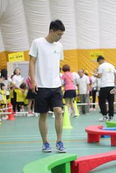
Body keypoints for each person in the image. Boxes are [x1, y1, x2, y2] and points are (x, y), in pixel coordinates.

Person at [29, 19, 66, 153]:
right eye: (58, 34)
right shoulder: (37, 43)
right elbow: (32, 62)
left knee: (58, 111)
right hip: (41, 86)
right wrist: (33, 81)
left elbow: (57, 64)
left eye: (62, 34)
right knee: (43, 115)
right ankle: (45, 143)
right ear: (51, 31)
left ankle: (59, 141)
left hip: (56, 86)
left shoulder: (59, 46)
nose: (60, 37)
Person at [95, 56, 116, 121]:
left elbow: (99, 76)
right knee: (111, 102)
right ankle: (111, 116)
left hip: (104, 86)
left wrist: (95, 75)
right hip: (111, 86)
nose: (98, 63)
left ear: (100, 60)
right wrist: (115, 84)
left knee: (102, 102)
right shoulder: (112, 65)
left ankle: (105, 116)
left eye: (98, 62)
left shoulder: (101, 66)